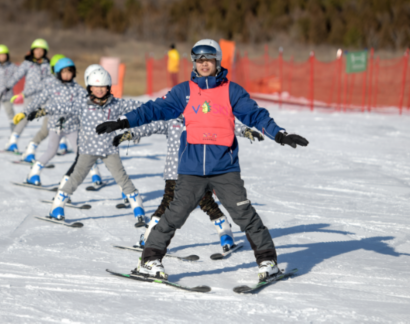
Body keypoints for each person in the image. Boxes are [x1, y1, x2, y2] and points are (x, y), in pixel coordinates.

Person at [96, 39, 309, 281]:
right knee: (174, 214)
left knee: (243, 214)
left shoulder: (232, 91)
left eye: (208, 59)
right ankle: (149, 261)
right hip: (191, 169)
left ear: (217, 61)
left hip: (225, 168)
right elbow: (153, 109)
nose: (203, 63)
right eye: (199, 59)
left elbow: (255, 115)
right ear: (194, 62)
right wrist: (124, 121)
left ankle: (268, 262)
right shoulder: (183, 92)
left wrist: (279, 134)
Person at [14, 67, 147, 226]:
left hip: (109, 149)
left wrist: (141, 126)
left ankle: (137, 207)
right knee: (76, 178)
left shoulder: (117, 104)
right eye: (95, 87)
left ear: (109, 87)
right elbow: (61, 107)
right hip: (87, 150)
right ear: (90, 88)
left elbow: (141, 108)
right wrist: (41, 111)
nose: (99, 90)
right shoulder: (82, 104)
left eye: (103, 87)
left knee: (122, 178)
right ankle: (57, 206)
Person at [114, 118, 264, 253]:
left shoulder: (202, 121)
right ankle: (148, 238)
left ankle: (226, 236)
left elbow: (225, 124)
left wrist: (245, 130)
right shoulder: (170, 122)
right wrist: (131, 133)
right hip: (175, 174)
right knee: (169, 204)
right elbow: (150, 126)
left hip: (196, 173)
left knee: (206, 203)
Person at [23, 58, 84, 186]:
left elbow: (89, 101)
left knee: (81, 152)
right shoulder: (52, 87)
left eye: (70, 72)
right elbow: (38, 100)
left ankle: (95, 174)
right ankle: (33, 173)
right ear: (58, 73)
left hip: (72, 126)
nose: (67, 75)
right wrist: (25, 112)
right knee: (51, 151)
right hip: (56, 125)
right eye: (64, 72)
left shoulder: (77, 89)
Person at [3, 38, 51, 153]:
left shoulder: (48, 65)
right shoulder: (27, 63)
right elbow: (17, 75)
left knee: (52, 118)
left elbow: (52, 79)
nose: (39, 52)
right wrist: (8, 85)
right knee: (24, 119)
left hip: (44, 97)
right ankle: (12, 142)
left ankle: (61, 143)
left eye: (41, 50)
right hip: (30, 95)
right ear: (32, 51)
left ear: (45, 52)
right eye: (37, 50)